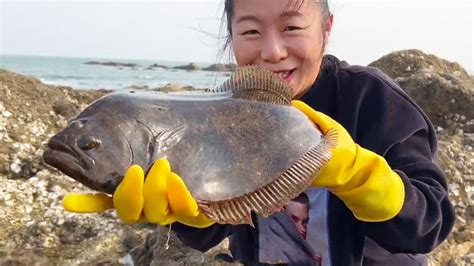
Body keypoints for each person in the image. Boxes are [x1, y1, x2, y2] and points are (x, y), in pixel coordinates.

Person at [63, 0, 455, 265]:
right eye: (250, 32)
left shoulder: (370, 98)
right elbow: (208, 234)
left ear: (326, 28)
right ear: (232, 35)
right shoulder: (224, 111)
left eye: (292, 27)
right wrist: (191, 212)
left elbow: (428, 224)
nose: (272, 51)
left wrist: (361, 177)